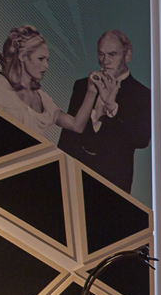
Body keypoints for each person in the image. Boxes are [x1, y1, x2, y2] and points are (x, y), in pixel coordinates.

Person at [58, 30, 152, 193]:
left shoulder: (143, 94)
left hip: (113, 188)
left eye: (112, 55)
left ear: (127, 56)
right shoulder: (82, 86)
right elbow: (67, 137)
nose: (104, 61)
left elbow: (141, 140)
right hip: (74, 182)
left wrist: (112, 107)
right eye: (101, 54)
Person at [0, 26, 97, 138]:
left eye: (47, 60)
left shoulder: (44, 100)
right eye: (41, 59)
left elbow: (76, 125)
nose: (46, 66)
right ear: (22, 56)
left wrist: (91, 91)